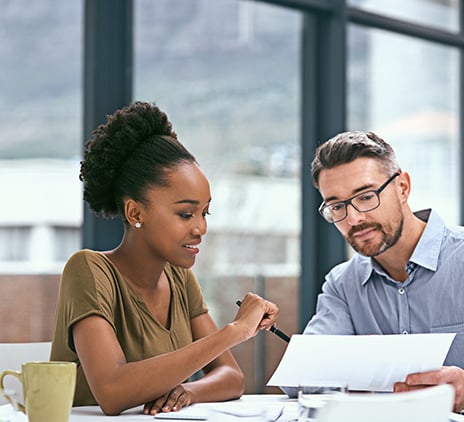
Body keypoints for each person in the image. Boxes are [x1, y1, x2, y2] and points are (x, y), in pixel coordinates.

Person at [50, 101, 279, 416]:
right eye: (185, 214)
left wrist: (186, 391)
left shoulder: (179, 278)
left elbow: (231, 377)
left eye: (204, 212)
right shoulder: (88, 270)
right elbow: (112, 391)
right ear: (135, 212)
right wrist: (235, 331)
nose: (201, 227)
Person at [300, 130, 464, 411]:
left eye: (365, 197)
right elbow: (302, 377)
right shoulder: (342, 284)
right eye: (337, 206)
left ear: (402, 188)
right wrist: (361, 358)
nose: (354, 218)